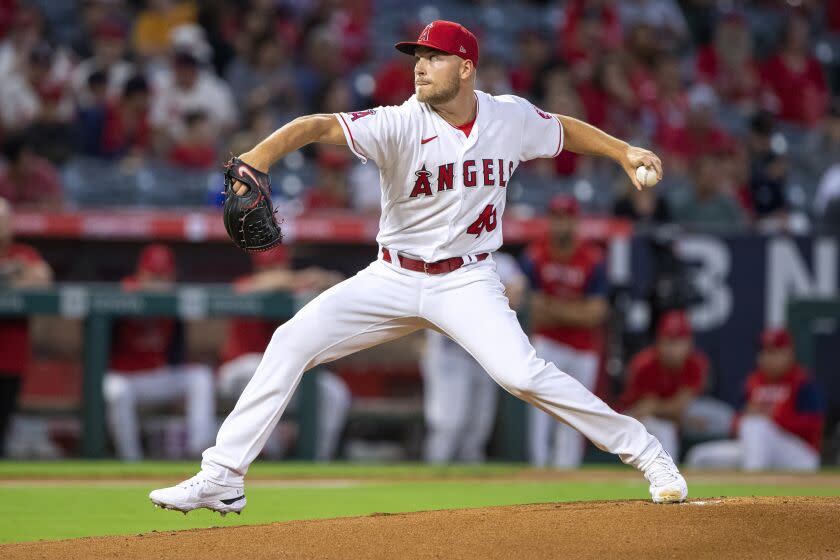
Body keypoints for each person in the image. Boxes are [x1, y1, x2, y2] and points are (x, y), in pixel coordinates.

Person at [150, 20, 687, 515]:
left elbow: (563, 131)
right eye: (416, 57)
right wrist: (257, 157)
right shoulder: (398, 123)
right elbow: (314, 126)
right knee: (291, 340)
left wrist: (623, 152)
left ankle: (645, 450)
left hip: (467, 279)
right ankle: (222, 474)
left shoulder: (509, 117)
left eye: (433, 57)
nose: (420, 66)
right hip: (393, 277)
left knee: (521, 374)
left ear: (466, 67)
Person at [217, 246, 348, 461]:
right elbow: (258, 286)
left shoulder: (297, 290)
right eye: (269, 268)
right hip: (237, 372)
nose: (275, 272)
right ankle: (264, 456)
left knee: (334, 392)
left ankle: (317, 462)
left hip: (283, 375)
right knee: (257, 368)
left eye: (279, 266)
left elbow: (337, 283)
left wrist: (322, 278)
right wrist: (299, 277)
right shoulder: (247, 284)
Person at [104, 244, 215, 461]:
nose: (157, 282)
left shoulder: (175, 298)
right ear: (140, 273)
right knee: (117, 391)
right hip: (123, 377)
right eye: (152, 275)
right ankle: (131, 461)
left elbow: (178, 350)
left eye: (162, 276)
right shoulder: (123, 293)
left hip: (156, 376)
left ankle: (200, 456)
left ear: (172, 276)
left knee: (200, 377)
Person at [521, 196, 608, 468]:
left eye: (567, 218)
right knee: (541, 412)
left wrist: (553, 307)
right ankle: (539, 470)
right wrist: (574, 310)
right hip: (547, 343)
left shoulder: (593, 258)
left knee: (576, 414)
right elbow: (532, 309)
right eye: (557, 218)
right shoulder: (534, 255)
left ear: (576, 221)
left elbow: (595, 314)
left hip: (584, 348)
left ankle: (567, 474)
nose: (562, 224)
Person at [422, 251, 526, 464]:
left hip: (482, 355)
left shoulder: (502, 262)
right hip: (449, 354)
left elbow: (517, 292)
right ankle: (432, 476)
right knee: (448, 424)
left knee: (478, 427)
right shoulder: (445, 254)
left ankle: (470, 487)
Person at [686, 329, 824, 472]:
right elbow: (735, 423)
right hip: (757, 449)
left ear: (789, 353)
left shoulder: (803, 381)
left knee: (757, 425)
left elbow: (814, 425)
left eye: (774, 352)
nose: (767, 357)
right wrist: (744, 419)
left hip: (800, 455)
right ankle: (751, 475)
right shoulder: (753, 382)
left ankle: (752, 484)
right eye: (764, 351)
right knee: (699, 457)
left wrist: (774, 418)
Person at [619, 310, 734, 459]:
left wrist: (662, 408)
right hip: (636, 418)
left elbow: (676, 408)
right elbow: (644, 408)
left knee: (722, 417)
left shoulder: (696, 363)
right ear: (658, 341)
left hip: (673, 416)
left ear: (689, 343)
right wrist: (671, 412)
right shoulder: (644, 364)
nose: (672, 348)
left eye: (678, 341)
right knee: (666, 430)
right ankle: (667, 476)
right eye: (668, 340)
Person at [0, 198, 52, 456]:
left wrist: (13, 275)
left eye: (4, 220)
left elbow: (42, 278)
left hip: (10, 357)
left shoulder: (22, 254)